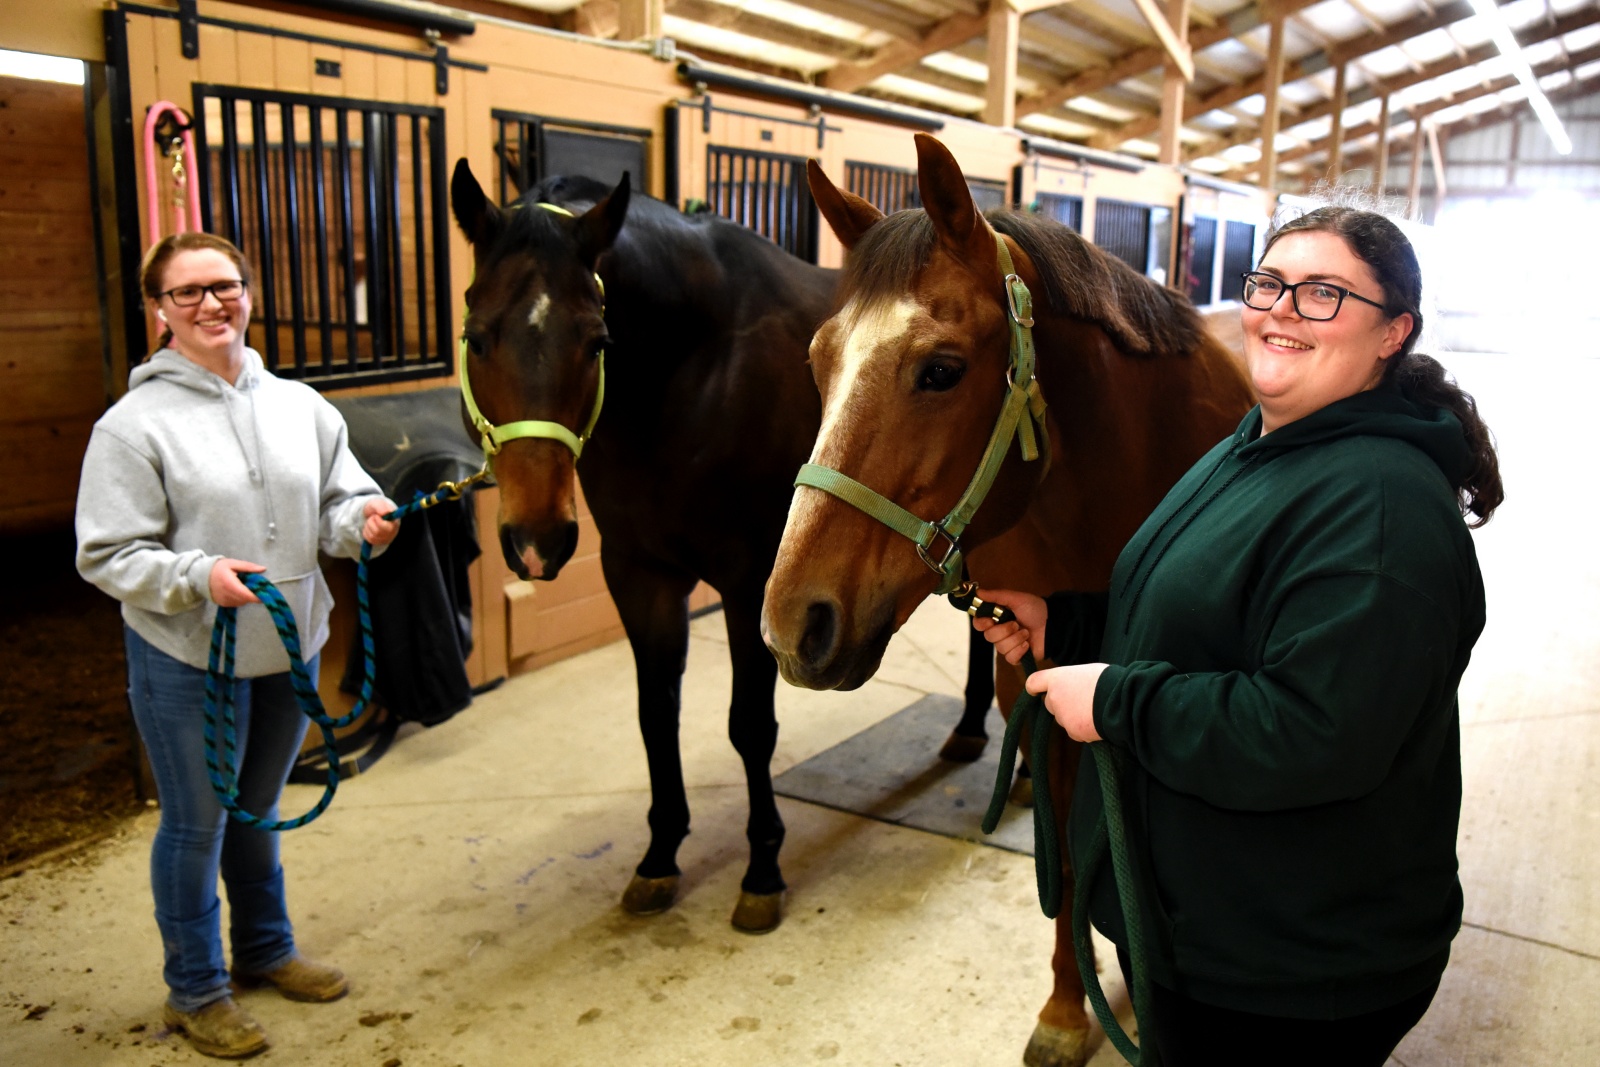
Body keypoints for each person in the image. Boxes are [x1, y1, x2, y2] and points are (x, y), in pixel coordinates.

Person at [974, 205, 1501, 1065]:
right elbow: (1202, 613)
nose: (1282, 309)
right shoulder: (1257, 442)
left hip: (1290, 974)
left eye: (1325, 293)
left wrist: (1115, 698)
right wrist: (1065, 623)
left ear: (1392, 333)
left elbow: (1311, 734)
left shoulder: (1378, 509)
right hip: (1216, 930)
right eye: (1271, 283)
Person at [75, 232, 401, 1059]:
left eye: (224, 285)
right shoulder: (132, 427)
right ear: (160, 313)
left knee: (257, 814)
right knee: (195, 824)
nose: (210, 303)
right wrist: (198, 574)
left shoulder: (301, 405)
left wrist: (361, 524)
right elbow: (108, 552)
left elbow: (339, 497)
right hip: (189, 656)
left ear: (249, 293)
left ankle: (264, 950)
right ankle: (197, 987)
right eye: (187, 293)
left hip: (283, 651)